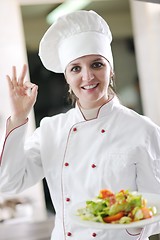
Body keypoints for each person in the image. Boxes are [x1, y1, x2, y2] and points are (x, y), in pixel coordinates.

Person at [0, 10, 160, 240]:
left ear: (110, 69)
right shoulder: (50, 130)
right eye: (76, 68)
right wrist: (17, 118)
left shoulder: (143, 130)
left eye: (97, 64)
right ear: (66, 77)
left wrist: (131, 226)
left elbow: (156, 208)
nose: (88, 77)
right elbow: (9, 182)